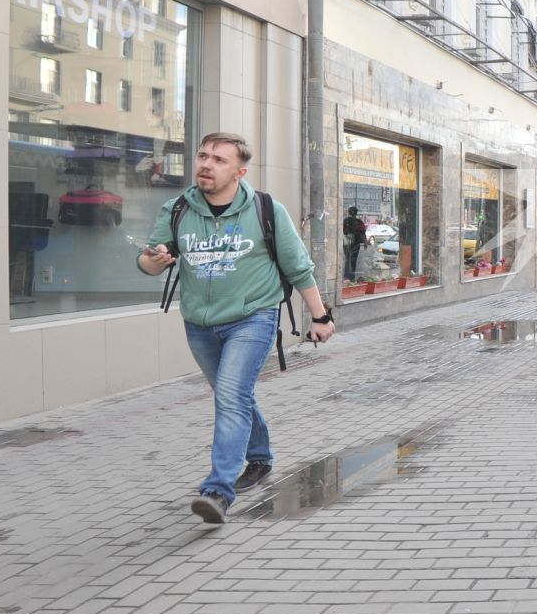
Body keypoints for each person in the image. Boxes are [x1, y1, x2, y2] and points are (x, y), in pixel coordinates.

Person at [138, 132, 335, 524]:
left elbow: (298, 266)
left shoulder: (265, 209)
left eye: (219, 160)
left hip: (253, 317)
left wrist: (320, 315)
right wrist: (154, 261)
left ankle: (217, 491)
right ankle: (259, 458)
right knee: (235, 395)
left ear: (239, 171)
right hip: (199, 324)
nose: (206, 164)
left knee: (229, 396)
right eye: (203, 155)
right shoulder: (177, 209)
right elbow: (149, 260)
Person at [342, 206, 366, 280]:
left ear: (349, 212)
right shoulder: (359, 222)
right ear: (356, 213)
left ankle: (346, 275)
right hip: (356, 243)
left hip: (346, 242)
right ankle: (351, 276)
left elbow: (342, 231)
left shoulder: (345, 221)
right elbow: (363, 232)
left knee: (347, 258)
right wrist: (365, 242)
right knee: (353, 259)